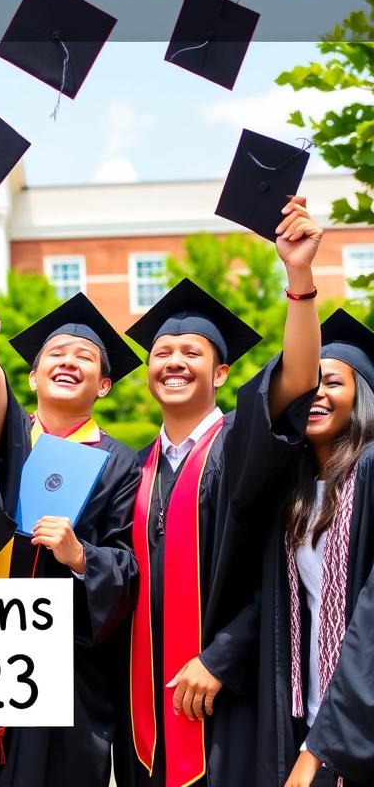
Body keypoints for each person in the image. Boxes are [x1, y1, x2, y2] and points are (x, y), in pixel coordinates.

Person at [0, 184, 141, 786]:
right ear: (33, 371)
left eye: (85, 355)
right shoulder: (10, 437)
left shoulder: (120, 463)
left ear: (104, 384)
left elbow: (129, 565)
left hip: (65, 678)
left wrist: (82, 557)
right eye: (55, 351)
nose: (68, 360)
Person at [113, 197, 322, 787]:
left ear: (222, 373)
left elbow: (297, 380)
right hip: (145, 705)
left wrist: (299, 280)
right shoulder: (133, 469)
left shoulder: (240, 444)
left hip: (227, 695)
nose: (173, 362)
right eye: (161, 353)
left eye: (191, 353)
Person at [252, 308, 374, 787]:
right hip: (311, 713)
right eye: (311, 384)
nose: (318, 394)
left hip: (350, 729)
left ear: (361, 397)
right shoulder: (297, 491)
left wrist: (320, 747)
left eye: (335, 383)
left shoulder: (369, 471)